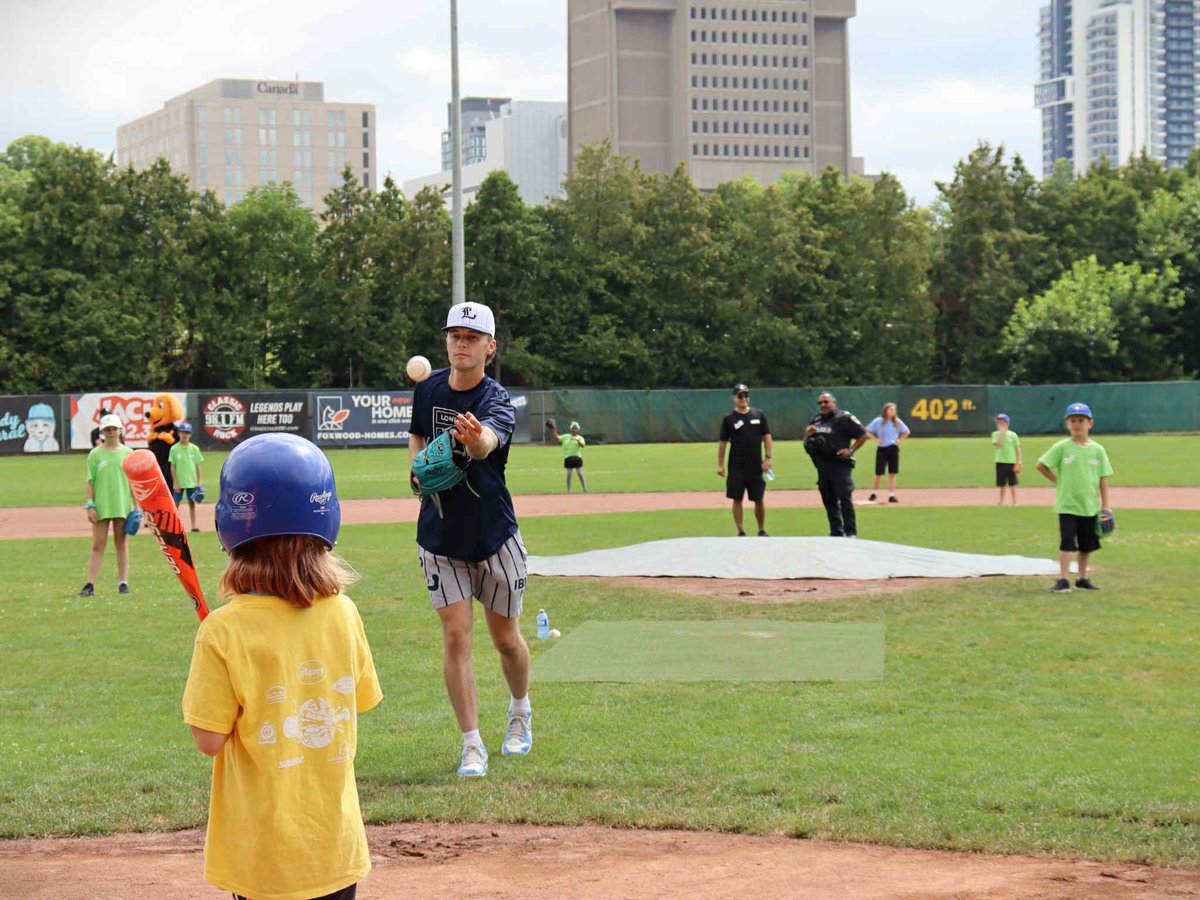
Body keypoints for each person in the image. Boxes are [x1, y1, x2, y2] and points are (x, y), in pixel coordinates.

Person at [183, 433, 382, 900]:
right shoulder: (344, 611)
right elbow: (360, 699)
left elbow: (208, 740)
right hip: (334, 849)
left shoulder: (222, 630)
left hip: (263, 857)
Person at [408, 301, 532, 778]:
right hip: (439, 536)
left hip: (493, 535)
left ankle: (520, 711)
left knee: (506, 640)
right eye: (455, 335)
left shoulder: (495, 401)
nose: (462, 344)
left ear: (490, 346)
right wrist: (416, 469)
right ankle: (472, 744)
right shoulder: (429, 387)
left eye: (472, 337)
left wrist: (476, 439)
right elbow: (418, 437)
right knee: (457, 636)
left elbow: (487, 445)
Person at [1036, 402, 1113, 594]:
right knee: (1067, 541)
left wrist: (1106, 506)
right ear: (1067, 424)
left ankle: (1082, 578)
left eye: (1081, 420)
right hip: (1067, 504)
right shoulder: (1062, 447)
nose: (1077, 424)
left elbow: (1103, 478)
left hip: (1089, 505)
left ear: (1090, 423)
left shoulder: (1098, 450)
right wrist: (1058, 480)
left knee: (1087, 544)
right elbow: (1041, 465)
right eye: (1073, 421)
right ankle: (1063, 579)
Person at [78, 414, 135, 597]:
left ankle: (123, 582)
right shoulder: (95, 454)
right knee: (98, 544)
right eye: (107, 429)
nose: (111, 432)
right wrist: (89, 504)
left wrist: (138, 507)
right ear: (102, 432)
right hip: (102, 504)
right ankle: (90, 583)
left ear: (120, 430)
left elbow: (134, 483)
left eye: (114, 428)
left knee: (121, 542)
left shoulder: (128, 453)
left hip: (121, 504)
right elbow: (90, 481)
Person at [804, 392, 870, 538]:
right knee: (828, 499)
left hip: (840, 464)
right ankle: (836, 531)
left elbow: (863, 434)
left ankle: (851, 532)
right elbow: (807, 442)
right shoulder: (816, 420)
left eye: (826, 402)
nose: (823, 405)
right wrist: (807, 435)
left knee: (845, 498)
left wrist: (851, 450)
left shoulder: (844, 418)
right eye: (820, 403)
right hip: (823, 465)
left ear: (834, 402)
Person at [717, 383, 773, 536]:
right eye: (740, 396)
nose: (744, 398)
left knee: (759, 499)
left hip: (755, 465)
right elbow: (723, 443)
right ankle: (741, 531)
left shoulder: (759, 415)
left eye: (746, 395)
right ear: (734, 398)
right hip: (736, 466)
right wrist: (720, 465)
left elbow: (767, 437)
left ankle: (761, 529)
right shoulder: (729, 419)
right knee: (737, 498)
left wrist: (768, 458)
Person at [865, 402, 911, 503]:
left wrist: (899, 440)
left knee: (892, 473)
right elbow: (866, 431)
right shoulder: (878, 421)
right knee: (879, 473)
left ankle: (891, 495)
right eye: (891, 409)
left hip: (893, 448)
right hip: (882, 449)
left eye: (894, 410)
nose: (893, 411)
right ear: (885, 410)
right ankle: (874, 493)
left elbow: (907, 431)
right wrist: (875, 439)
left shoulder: (897, 422)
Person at [169, 422, 204, 532]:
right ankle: (175, 526)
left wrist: (199, 482)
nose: (185, 435)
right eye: (183, 432)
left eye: (187, 433)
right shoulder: (174, 449)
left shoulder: (194, 449)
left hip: (191, 482)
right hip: (180, 482)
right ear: (179, 433)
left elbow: (198, 466)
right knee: (175, 504)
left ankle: (193, 525)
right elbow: (172, 466)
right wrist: (175, 482)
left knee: (192, 503)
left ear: (190, 435)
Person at [992, 413, 1023, 506]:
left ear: (1007, 423)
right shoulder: (995, 434)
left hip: (1011, 462)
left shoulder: (1013, 435)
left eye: (1002, 422)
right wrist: (1001, 433)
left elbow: (1018, 448)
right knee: (1001, 483)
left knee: (1012, 483)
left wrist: (1020, 462)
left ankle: (1014, 500)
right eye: (998, 422)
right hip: (1000, 462)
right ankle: (1001, 501)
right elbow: (999, 444)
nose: (999, 424)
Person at [549, 420, 588, 493]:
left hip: (577, 458)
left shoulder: (580, 438)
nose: (574, 430)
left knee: (580, 474)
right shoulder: (566, 436)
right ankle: (569, 490)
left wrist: (577, 441)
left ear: (578, 430)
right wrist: (554, 429)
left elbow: (583, 445)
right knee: (569, 475)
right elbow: (556, 438)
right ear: (570, 429)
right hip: (568, 458)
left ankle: (585, 488)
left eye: (576, 428)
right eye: (573, 428)